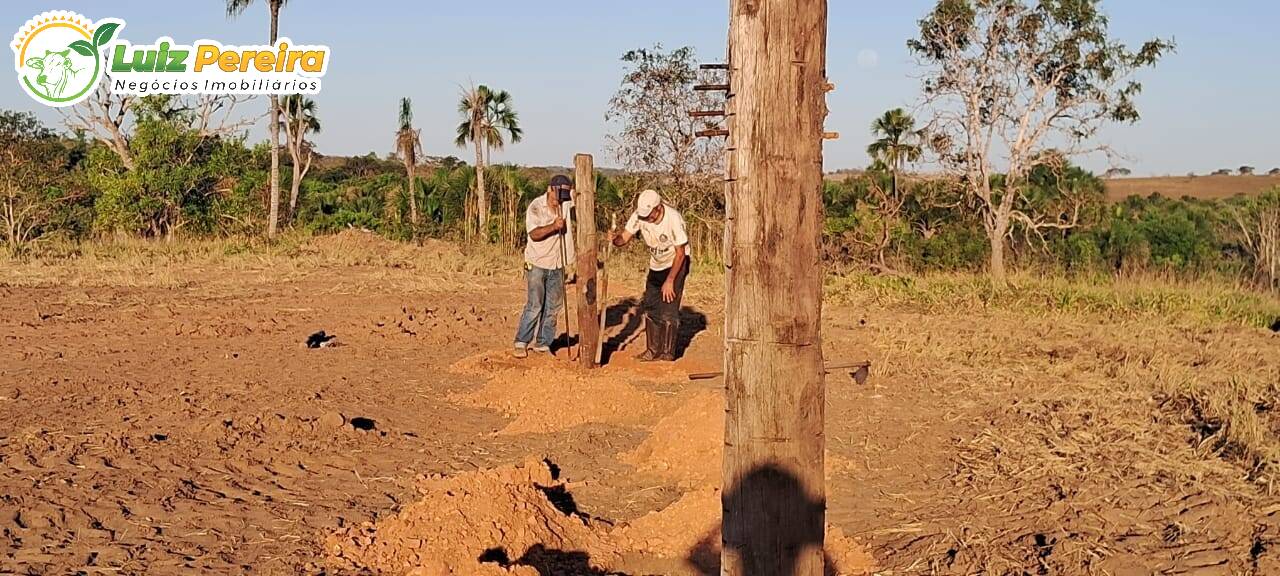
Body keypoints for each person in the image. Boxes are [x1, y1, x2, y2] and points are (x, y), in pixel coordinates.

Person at [611, 189, 690, 362]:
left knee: (668, 305)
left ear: (659, 207)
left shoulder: (673, 219)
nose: (647, 219)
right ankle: (652, 350)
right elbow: (624, 238)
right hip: (656, 265)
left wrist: (670, 280)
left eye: (650, 215)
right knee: (651, 305)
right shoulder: (639, 216)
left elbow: (681, 253)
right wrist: (614, 240)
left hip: (676, 263)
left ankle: (667, 354)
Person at [513, 175, 574, 358]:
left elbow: (583, 196)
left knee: (553, 307)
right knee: (535, 304)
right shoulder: (536, 207)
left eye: (565, 193)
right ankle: (522, 341)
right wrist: (554, 226)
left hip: (558, 263)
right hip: (537, 262)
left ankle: (543, 343)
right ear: (550, 189)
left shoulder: (567, 202)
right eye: (558, 193)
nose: (561, 198)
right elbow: (534, 234)